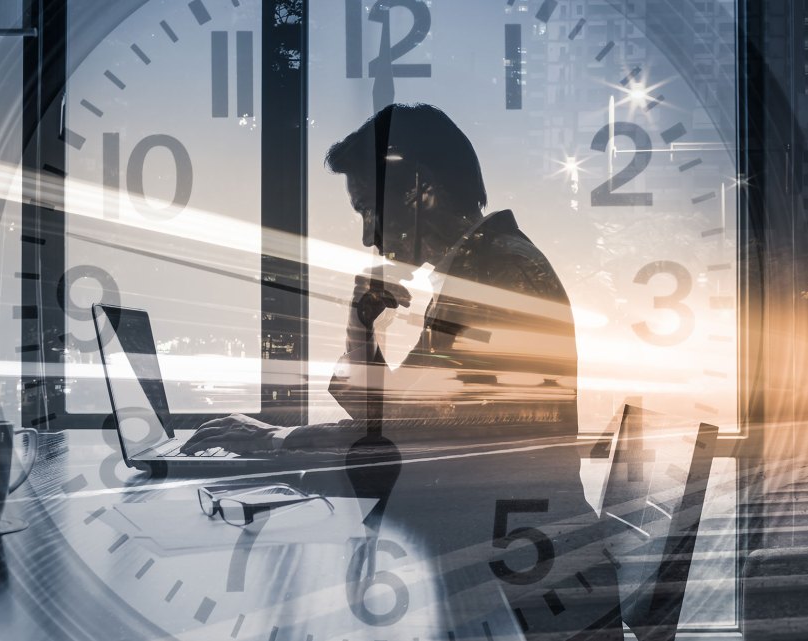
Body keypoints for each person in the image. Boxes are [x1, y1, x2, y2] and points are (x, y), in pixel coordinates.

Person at [183, 104, 621, 639]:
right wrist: (360, 325)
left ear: (417, 188)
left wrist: (277, 441)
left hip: (525, 590)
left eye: (368, 207)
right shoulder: (480, 270)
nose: (368, 236)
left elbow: (404, 438)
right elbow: (391, 418)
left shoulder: (499, 275)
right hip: (515, 562)